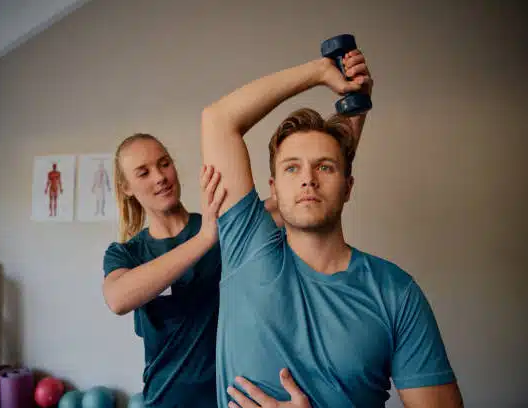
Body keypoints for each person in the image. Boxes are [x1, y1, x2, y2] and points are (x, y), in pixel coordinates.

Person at [201, 47, 464, 407]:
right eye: (292, 168)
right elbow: (218, 119)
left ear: (348, 186)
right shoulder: (247, 245)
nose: (308, 179)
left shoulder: (395, 293)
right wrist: (319, 72)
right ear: (273, 188)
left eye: (324, 167)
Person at [102, 133, 227, 408]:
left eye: (164, 164)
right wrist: (204, 239)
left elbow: (273, 211)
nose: (159, 177)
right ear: (127, 187)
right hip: (165, 400)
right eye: (143, 172)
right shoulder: (126, 253)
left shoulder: (218, 227)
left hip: (227, 398)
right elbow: (117, 299)